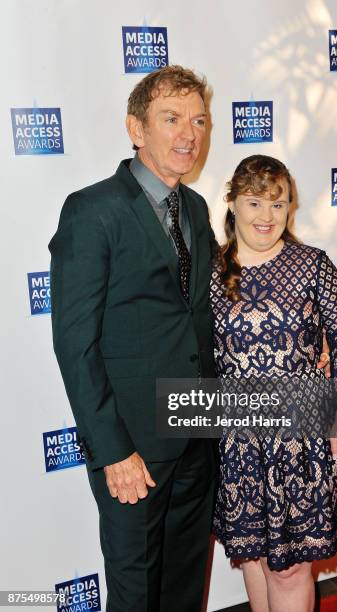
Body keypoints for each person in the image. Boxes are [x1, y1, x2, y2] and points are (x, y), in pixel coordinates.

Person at [49, 65, 218, 612]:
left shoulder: (195, 208)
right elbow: (75, 346)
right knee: (136, 590)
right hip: (134, 447)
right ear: (136, 129)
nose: (188, 134)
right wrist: (114, 449)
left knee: (184, 582)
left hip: (198, 430)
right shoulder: (92, 210)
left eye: (198, 120)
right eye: (171, 119)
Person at [210, 155, 337, 612]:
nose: (266, 217)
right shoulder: (209, 272)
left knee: (289, 567)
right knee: (256, 560)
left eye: (278, 204)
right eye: (254, 203)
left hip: (301, 440)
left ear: (290, 208)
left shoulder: (312, 265)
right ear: (233, 205)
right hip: (239, 441)